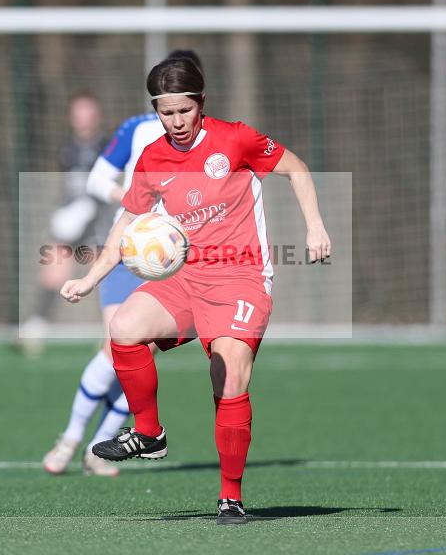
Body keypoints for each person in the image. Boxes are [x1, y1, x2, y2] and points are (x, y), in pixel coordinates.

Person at [60, 57, 331, 523]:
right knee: (123, 328)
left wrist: (315, 228)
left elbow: (297, 169)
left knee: (228, 379)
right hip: (186, 277)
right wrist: (90, 279)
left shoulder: (236, 138)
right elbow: (126, 223)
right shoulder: (152, 158)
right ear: (156, 111)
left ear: (201, 104)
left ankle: (230, 496)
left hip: (242, 278)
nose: (177, 122)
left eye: (185, 110)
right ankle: (148, 433)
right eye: (167, 113)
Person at [42, 51, 203, 478]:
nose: (174, 105)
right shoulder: (136, 129)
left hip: (174, 265)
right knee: (115, 348)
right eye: (165, 92)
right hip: (129, 253)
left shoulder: (211, 140)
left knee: (140, 356)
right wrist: (139, 210)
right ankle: (71, 436)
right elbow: (98, 178)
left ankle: (99, 448)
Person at [20, 91, 111, 354]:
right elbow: (68, 186)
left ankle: (111, 333)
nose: (83, 119)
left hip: (97, 220)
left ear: (96, 116)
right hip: (72, 220)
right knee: (53, 271)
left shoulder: (106, 145)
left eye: (87, 112)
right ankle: (36, 326)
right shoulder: (67, 148)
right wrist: (63, 212)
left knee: (103, 274)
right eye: (78, 113)